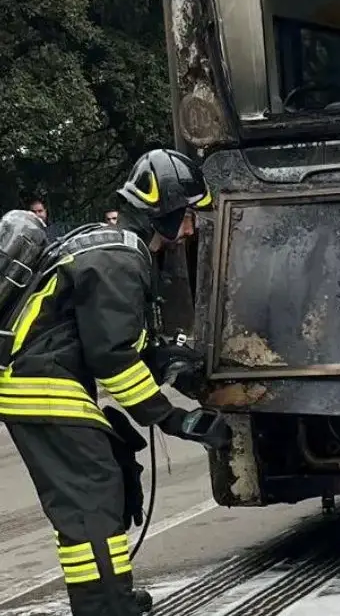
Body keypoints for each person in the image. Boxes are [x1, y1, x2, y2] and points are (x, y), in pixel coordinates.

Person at [0, 149, 231, 616]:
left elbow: (111, 337)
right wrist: (171, 419)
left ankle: (108, 599)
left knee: (101, 491)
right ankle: (105, 607)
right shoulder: (121, 258)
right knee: (91, 502)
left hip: (42, 383)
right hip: (43, 388)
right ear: (163, 212)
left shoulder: (111, 245)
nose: (190, 228)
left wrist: (168, 359)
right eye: (186, 216)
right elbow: (112, 360)